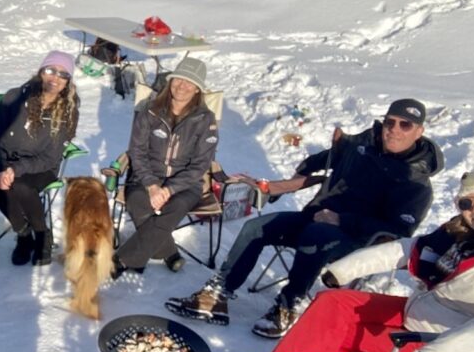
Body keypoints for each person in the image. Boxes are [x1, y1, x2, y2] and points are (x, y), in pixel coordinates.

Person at [225, 168, 474, 352]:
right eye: (466, 203)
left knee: (336, 328)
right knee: (333, 302)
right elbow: (405, 250)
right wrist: (343, 270)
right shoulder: (459, 238)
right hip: (422, 315)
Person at [170, 98, 443, 337]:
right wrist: (301, 172)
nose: (394, 130)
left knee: (316, 234)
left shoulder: (416, 183)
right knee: (257, 226)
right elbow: (326, 159)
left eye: (405, 125)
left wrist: (342, 220)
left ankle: (288, 304)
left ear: (419, 131)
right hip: (316, 219)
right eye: (390, 122)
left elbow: (397, 233)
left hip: (358, 240)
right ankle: (218, 293)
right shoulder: (364, 145)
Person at [112, 56, 217, 278]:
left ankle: (121, 260)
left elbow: (200, 165)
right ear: (170, 81)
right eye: (179, 79)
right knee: (138, 202)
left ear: (198, 89)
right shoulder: (149, 111)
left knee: (175, 206)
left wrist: (169, 189)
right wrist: (151, 185)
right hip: (146, 177)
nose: (182, 86)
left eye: (190, 83)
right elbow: (137, 152)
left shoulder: (206, 120)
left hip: (185, 185)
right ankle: (169, 253)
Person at [0, 51, 80, 266]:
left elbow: (50, 157)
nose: (55, 78)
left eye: (63, 74)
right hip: (5, 161)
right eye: (51, 70)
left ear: (68, 81)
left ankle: (42, 235)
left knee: (20, 186)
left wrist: (15, 170)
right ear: (40, 72)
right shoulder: (14, 98)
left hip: (41, 167)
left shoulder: (68, 110)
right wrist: (0, 169)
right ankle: (23, 234)